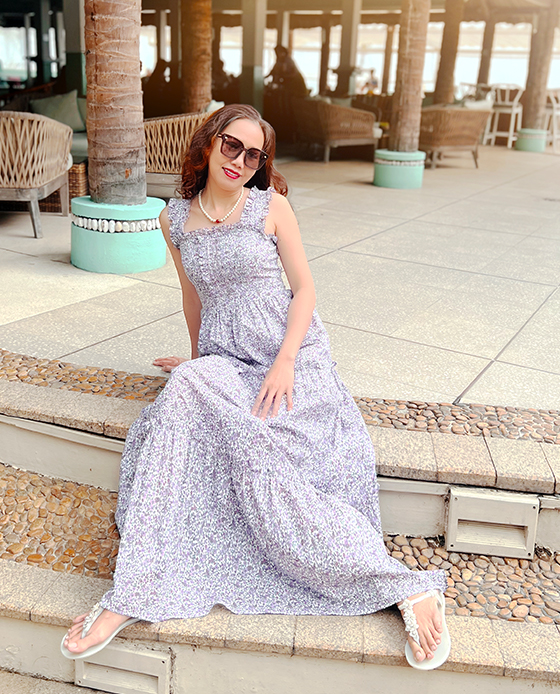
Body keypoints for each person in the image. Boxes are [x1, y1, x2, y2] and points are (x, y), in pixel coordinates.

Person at [60, 104, 450, 670]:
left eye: (253, 154)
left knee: (259, 454)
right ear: (208, 142)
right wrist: (199, 367)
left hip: (290, 357)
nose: (240, 161)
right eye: (231, 146)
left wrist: (286, 361)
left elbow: (305, 290)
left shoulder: (271, 207)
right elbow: (193, 297)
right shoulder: (174, 219)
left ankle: (400, 585)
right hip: (227, 357)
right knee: (186, 391)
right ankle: (133, 592)